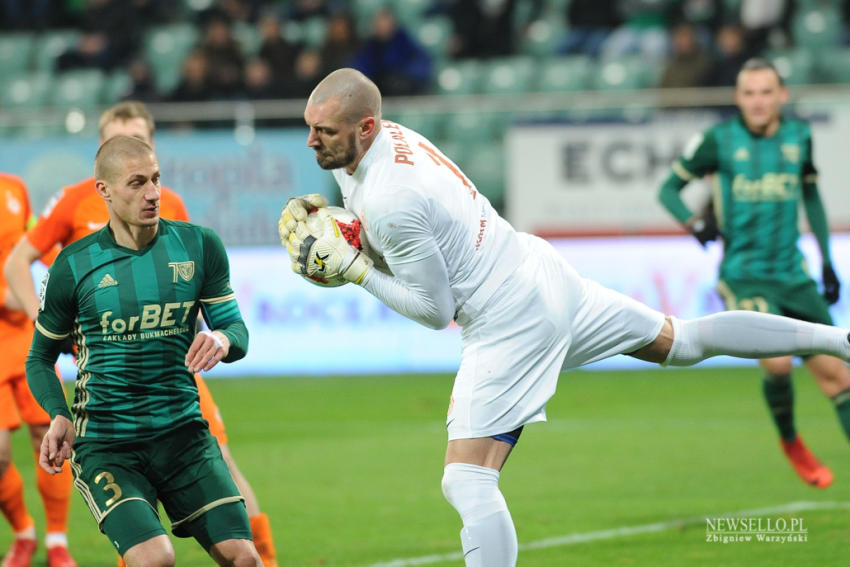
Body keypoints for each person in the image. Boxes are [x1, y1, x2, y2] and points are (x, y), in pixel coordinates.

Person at [279, 68, 850, 566]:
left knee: (467, 478)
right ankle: (841, 338)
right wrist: (338, 225)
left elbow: (435, 312)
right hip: (537, 268)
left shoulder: (390, 199)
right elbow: (404, 231)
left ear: (366, 127)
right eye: (310, 127)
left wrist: (357, 270)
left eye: (323, 132)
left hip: (508, 318)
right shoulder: (386, 145)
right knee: (683, 340)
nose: (311, 141)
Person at [3, 101, 278, 567]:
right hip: (109, 443)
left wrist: (224, 341)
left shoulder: (198, 243)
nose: (153, 192)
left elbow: (236, 328)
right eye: (137, 182)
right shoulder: (73, 264)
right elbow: (39, 358)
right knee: (155, 558)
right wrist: (58, 413)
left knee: (245, 557)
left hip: (184, 436)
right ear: (104, 191)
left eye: (155, 177)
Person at [658, 57, 850, 489]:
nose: (758, 101)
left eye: (766, 92)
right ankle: (791, 441)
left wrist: (827, 260)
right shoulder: (717, 140)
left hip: (794, 274)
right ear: (737, 98)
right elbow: (667, 190)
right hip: (744, 274)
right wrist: (694, 222)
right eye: (748, 93)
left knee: (839, 376)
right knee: (779, 363)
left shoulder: (799, 136)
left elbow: (811, 198)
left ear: (781, 95)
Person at [0, 174, 75, 567]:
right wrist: (4, 296)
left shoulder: (13, 189)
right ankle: (23, 531)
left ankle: (57, 541)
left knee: (50, 436)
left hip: (26, 339)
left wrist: (68, 268)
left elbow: (36, 239)